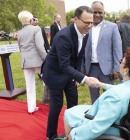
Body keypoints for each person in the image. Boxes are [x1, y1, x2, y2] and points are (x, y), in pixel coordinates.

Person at [63, 47, 130, 140]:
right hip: (126, 121)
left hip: (114, 128)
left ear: (126, 70)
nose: (119, 63)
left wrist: (74, 135)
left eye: (121, 61)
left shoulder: (116, 97)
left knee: (69, 113)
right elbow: (122, 89)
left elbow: (97, 126)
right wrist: (100, 84)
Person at [41, 6, 97, 140]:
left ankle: (73, 133)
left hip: (69, 73)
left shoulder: (86, 33)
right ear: (76, 20)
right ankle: (51, 135)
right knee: (57, 105)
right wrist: (83, 78)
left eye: (91, 23)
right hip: (54, 74)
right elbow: (64, 65)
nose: (89, 26)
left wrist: (77, 76)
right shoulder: (63, 36)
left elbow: (79, 57)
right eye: (86, 22)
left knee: (73, 102)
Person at [84, 1, 122, 104]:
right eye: (94, 12)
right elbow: (83, 49)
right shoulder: (86, 27)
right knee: (94, 96)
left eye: (100, 12)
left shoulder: (112, 27)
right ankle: (96, 116)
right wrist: (82, 68)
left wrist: (117, 68)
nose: (97, 15)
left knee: (109, 96)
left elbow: (117, 49)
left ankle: (109, 117)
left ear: (104, 13)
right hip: (91, 68)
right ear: (90, 12)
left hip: (107, 69)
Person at [17, 10, 47, 114]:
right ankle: (49, 101)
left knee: (29, 85)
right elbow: (40, 46)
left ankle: (31, 108)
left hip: (25, 61)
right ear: (30, 19)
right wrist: (46, 58)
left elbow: (20, 47)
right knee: (47, 81)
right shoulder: (36, 29)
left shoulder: (19, 32)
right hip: (37, 60)